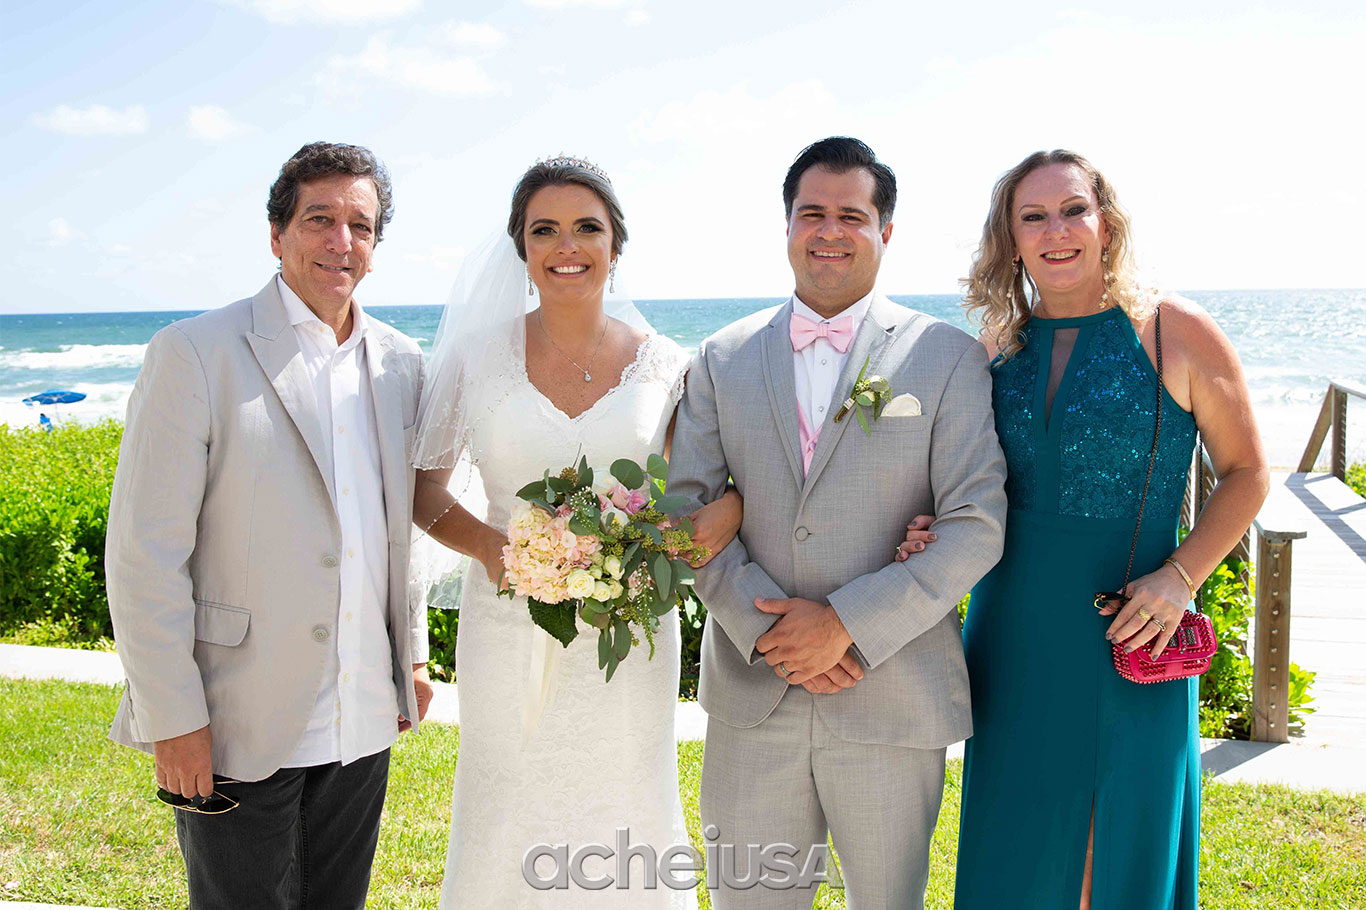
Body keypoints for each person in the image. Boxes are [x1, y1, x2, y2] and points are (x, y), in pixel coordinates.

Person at [918, 149, 1269, 909]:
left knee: (1110, 848)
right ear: (1011, 240)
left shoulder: (1175, 331)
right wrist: (932, 529)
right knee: (1018, 842)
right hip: (1012, 633)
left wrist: (1181, 578)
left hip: (1134, 626)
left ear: (1105, 223)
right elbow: (970, 489)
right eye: (1033, 217)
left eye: (1074, 209)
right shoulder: (994, 351)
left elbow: (1247, 473)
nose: (1057, 231)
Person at [666, 136, 1008, 909]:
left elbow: (976, 523)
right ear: (787, 225)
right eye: (811, 212)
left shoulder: (949, 358)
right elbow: (687, 514)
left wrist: (845, 625)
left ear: (885, 231)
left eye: (851, 215)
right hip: (754, 696)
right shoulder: (720, 357)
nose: (829, 230)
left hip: (893, 694)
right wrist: (776, 635)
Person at [410, 156, 743, 908]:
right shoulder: (473, 359)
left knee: (628, 794)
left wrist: (692, 535)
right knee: (507, 795)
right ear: (521, 249)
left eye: (587, 227)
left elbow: (708, 492)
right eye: (545, 230)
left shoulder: (665, 365)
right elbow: (424, 491)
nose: (568, 246)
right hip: (507, 625)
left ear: (615, 245)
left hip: (629, 630)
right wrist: (492, 548)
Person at [105, 142, 431, 909]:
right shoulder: (194, 353)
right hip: (237, 721)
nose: (340, 241)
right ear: (277, 234)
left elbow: (398, 529)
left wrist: (410, 654)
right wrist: (172, 718)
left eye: (360, 225)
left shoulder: (402, 364)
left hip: (362, 718)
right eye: (319, 219)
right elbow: (144, 555)